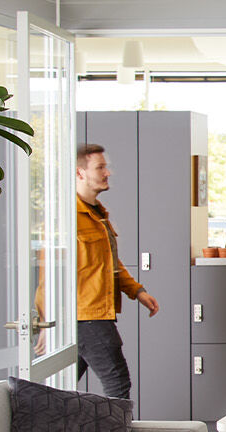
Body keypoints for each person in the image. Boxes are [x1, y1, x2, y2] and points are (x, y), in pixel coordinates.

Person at [75, 143, 158, 399]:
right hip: (87, 316)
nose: (107, 172)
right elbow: (50, 272)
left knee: (55, 386)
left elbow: (110, 264)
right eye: (100, 167)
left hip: (95, 313)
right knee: (117, 383)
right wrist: (46, 322)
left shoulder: (98, 215)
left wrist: (138, 291)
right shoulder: (70, 217)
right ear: (80, 173)